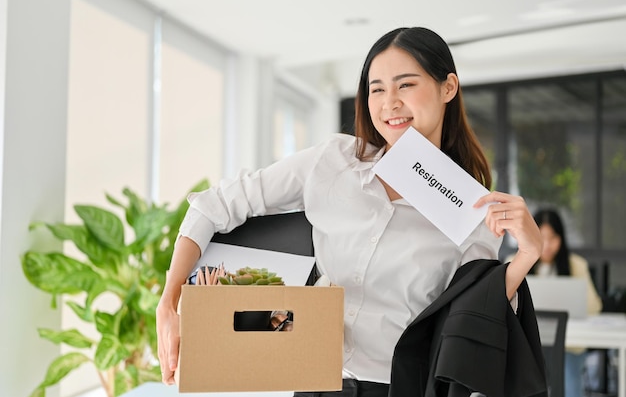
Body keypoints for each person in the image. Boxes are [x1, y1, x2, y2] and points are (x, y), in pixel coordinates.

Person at [156, 26, 543, 396]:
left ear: (448, 87)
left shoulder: (471, 209)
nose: (390, 102)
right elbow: (214, 205)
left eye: (406, 84)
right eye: (377, 89)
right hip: (314, 380)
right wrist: (169, 301)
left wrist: (527, 255)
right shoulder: (333, 161)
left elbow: (469, 319)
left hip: (398, 388)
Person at [531, 208, 603, 397]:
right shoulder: (515, 262)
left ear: (561, 238)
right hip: (529, 345)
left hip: (569, 344)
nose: (546, 245)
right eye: (541, 237)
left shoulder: (576, 264)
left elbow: (595, 306)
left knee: (569, 374)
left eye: (552, 238)